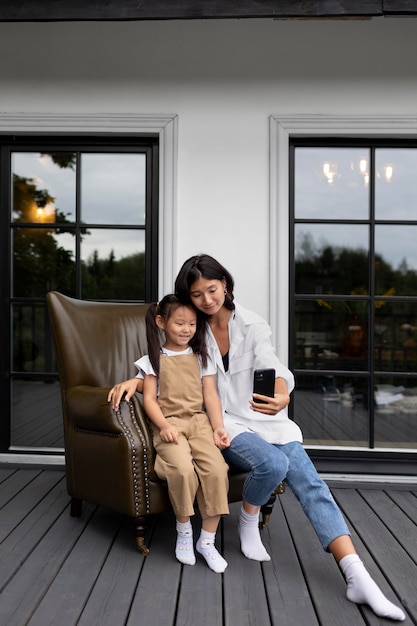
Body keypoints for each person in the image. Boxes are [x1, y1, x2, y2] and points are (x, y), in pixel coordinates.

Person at [171, 253, 406, 622]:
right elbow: (169, 366)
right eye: (196, 294)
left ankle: (357, 575)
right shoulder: (190, 330)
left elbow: (273, 365)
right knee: (272, 462)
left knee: (312, 484)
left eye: (212, 290)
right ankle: (250, 522)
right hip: (225, 423)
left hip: (269, 420)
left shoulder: (252, 324)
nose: (206, 300)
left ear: (226, 285)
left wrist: (282, 395)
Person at [112, 294, 230, 573]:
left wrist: (218, 427)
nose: (187, 329)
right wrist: (164, 426)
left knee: (216, 470)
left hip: (199, 423)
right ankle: (185, 532)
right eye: (179, 323)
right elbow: (150, 399)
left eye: (192, 323)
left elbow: (210, 395)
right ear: (161, 322)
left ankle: (208, 541)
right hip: (170, 425)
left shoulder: (203, 356)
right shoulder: (152, 360)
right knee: (181, 469)